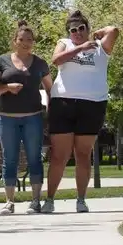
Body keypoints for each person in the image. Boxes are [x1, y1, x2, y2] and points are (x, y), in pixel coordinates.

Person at [44, 12, 119, 214]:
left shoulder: (101, 48)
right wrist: (79, 47)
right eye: (73, 30)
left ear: (87, 29)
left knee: (83, 154)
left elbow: (114, 30)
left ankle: (81, 199)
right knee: (60, 155)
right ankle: (49, 200)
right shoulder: (65, 43)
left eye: (81, 28)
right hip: (64, 103)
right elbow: (56, 60)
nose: (77, 32)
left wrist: (95, 35)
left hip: (93, 104)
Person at [0, 22, 53, 215]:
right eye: (21, 39)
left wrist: (50, 113)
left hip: (33, 117)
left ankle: (36, 201)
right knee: (9, 160)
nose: (25, 43)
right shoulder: (2, 60)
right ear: (14, 41)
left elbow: (50, 89)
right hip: (7, 118)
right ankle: (9, 201)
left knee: (35, 158)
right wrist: (7, 88)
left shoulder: (40, 63)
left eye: (29, 40)